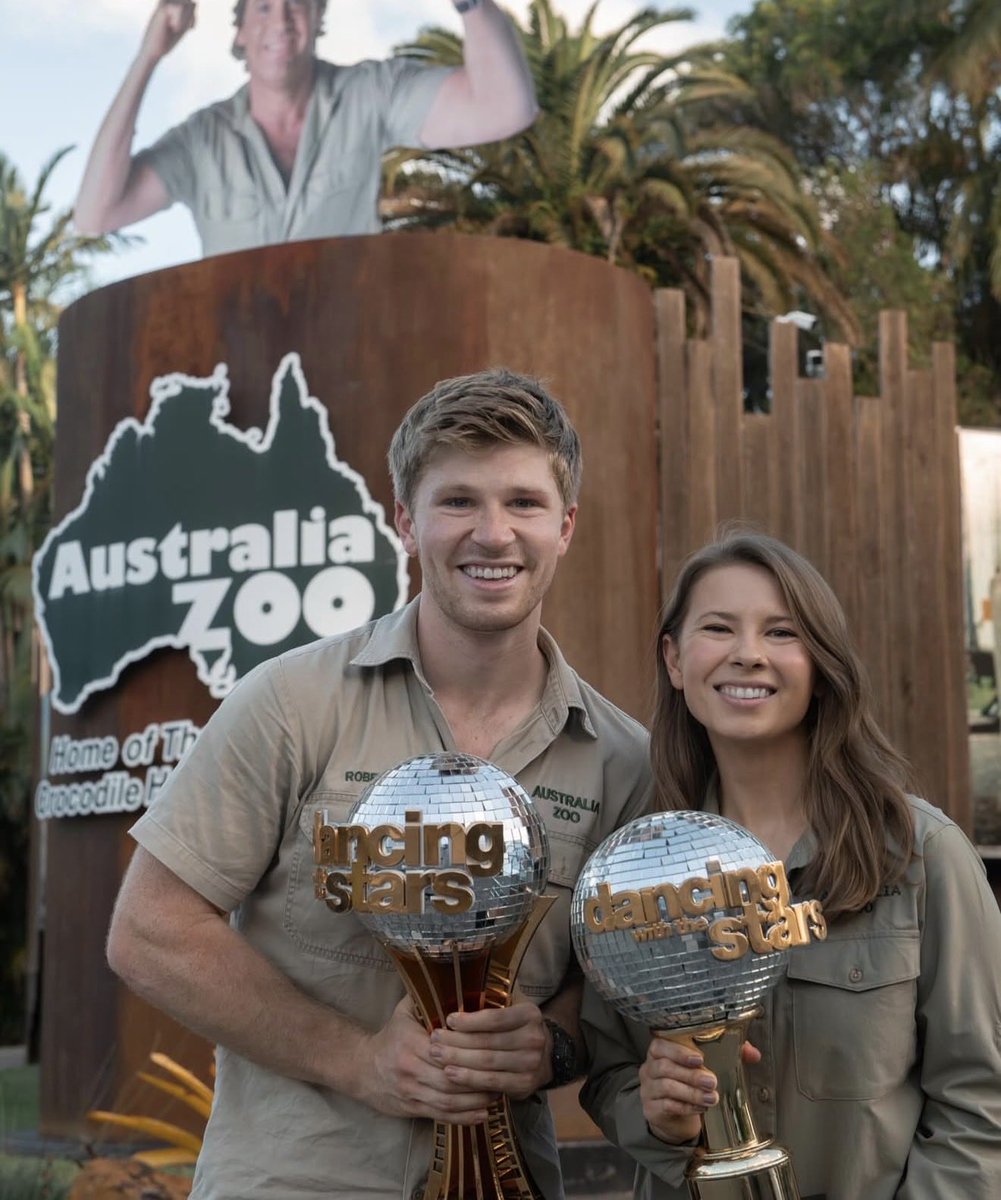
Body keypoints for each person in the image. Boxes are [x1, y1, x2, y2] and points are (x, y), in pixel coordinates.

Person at [106, 368, 653, 1200]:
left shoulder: (621, 760)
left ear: (566, 525)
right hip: (295, 1180)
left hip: (508, 1182)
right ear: (405, 519)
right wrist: (356, 1060)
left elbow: (610, 985)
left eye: (524, 504)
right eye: (457, 501)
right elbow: (150, 931)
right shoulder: (292, 704)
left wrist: (552, 1044)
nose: (492, 533)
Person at [580, 530, 1001, 1199]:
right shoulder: (636, 874)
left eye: (781, 633)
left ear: (821, 663)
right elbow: (607, 1074)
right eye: (717, 628)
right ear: (674, 658)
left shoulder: (921, 856)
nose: (747, 655)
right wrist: (655, 1114)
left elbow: (981, 1103)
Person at [74, 0, 537, 255]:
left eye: (297, 2)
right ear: (240, 31)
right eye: (262, 7)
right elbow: (95, 215)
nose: (281, 19)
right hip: (237, 387)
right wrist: (148, 56)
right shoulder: (201, 140)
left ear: (318, 18)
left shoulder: (371, 92)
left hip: (347, 364)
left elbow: (506, 108)